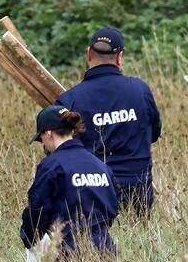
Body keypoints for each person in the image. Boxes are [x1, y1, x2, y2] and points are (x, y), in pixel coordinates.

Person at [57, 26, 162, 212]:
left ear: (89, 54)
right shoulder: (140, 89)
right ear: (120, 57)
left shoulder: (70, 100)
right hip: (138, 191)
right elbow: (154, 133)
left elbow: (58, 149)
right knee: (138, 240)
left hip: (92, 193)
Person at [20, 104, 119, 261]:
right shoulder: (100, 165)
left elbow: (37, 212)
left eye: (41, 139)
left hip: (68, 255)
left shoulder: (51, 165)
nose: (44, 145)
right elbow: (113, 207)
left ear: (48, 133)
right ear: (72, 131)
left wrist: (28, 238)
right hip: (106, 252)